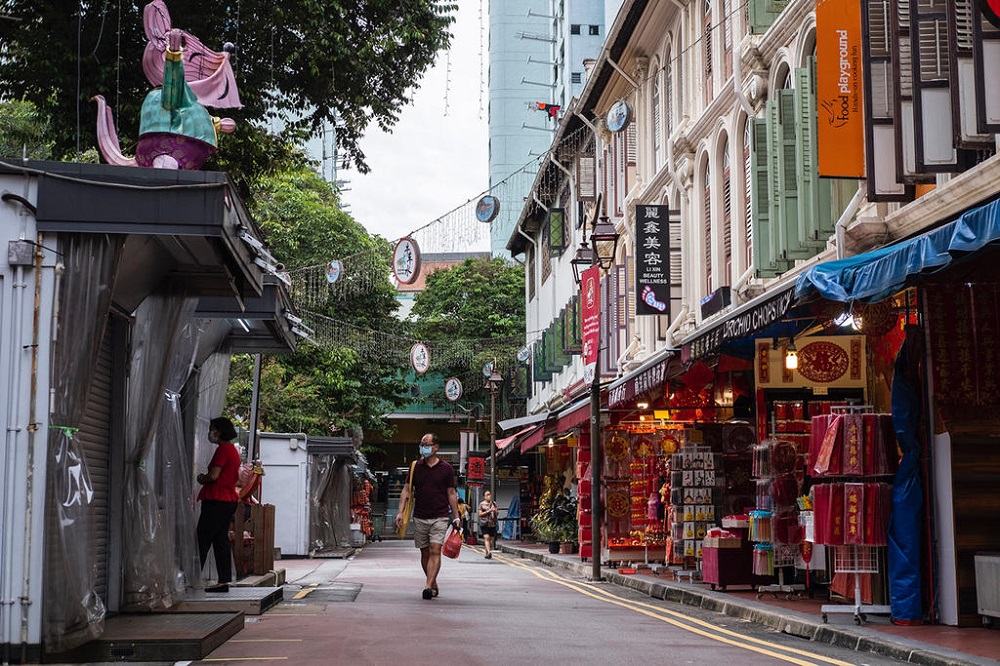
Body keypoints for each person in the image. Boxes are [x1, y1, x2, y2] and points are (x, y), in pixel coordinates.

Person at [394, 432, 461, 600]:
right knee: (424, 553)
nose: (422, 447)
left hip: (440, 516)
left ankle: (428, 586)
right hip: (420, 516)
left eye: (426, 444)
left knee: (435, 550)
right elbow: (407, 490)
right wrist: (400, 512)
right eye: (421, 444)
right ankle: (433, 582)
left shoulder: (446, 469)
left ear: (435, 447)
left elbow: (451, 493)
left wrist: (456, 516)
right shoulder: (415, 467)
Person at [196, 417, 241, 593]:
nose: (210, 432)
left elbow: (214, 475)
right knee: (220, 540)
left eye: (212, 428)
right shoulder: (232, 450)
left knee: (202, 539)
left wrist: (202, 478)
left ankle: (191, 578)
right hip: (228, 501)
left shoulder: (223, 450)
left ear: (219, 431)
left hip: (216, 500)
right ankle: (223, 580)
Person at [478, 490, 499, 559]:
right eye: (487, 495)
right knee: (486, 537)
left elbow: (497, 513)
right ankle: (489, 552)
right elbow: (480, 514)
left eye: (489, 494)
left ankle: (487, 553)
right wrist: (488, 511)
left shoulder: (494, 503)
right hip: (484, 523)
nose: (489, 496)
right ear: (484, 496)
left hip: (492, 523)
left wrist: (495, 511)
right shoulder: (482, 504)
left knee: (489, 539)